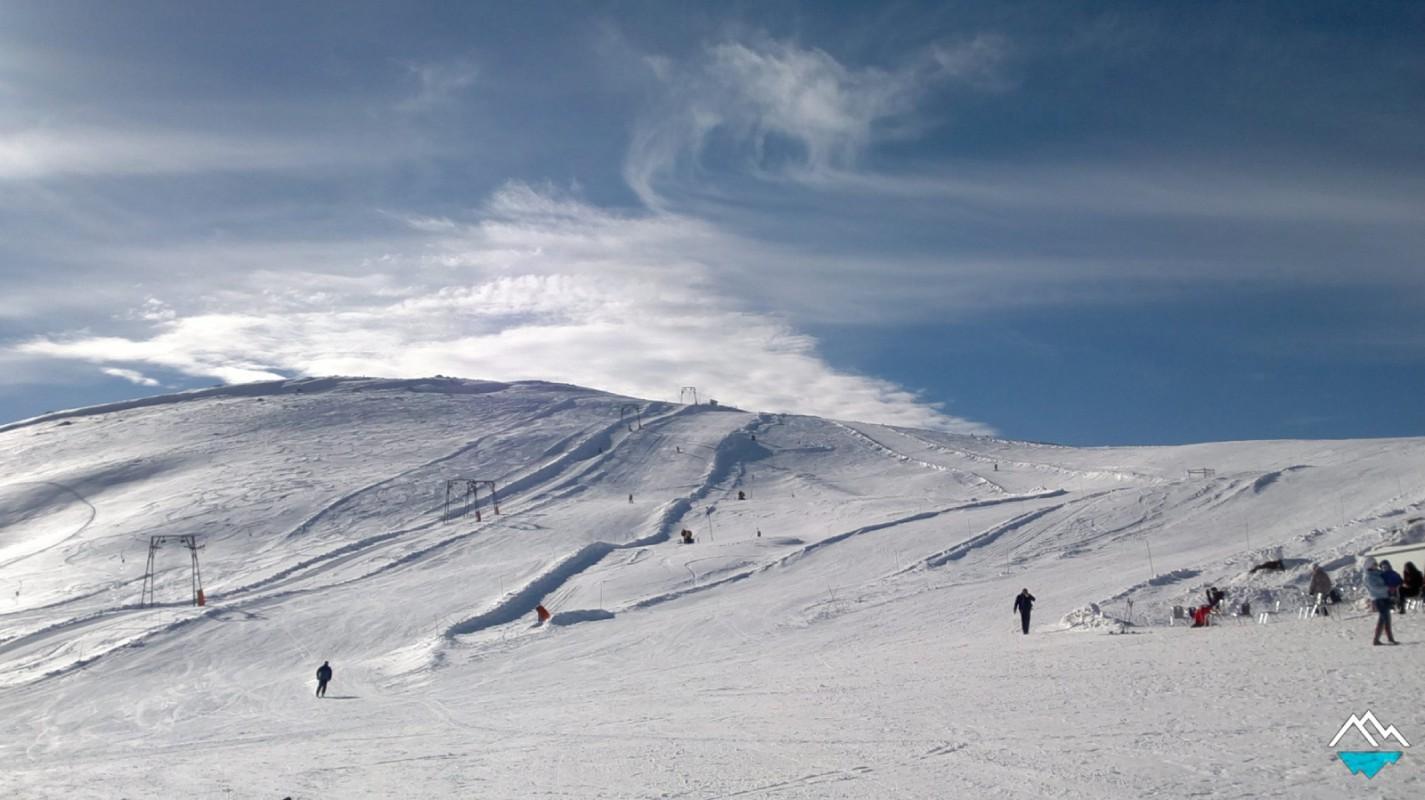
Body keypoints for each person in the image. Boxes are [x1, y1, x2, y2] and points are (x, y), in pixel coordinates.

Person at [1362, 556, 1398, 646]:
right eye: (1374, 564)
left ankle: (1376, 640)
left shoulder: (1378, 573)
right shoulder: (1368, 577)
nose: (1376, 565)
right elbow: (1375, 588)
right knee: (1386, 619)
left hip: (1385, 597)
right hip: (1378, 599)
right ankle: (1389, 639)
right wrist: (1387, 588)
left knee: (1383, 619)